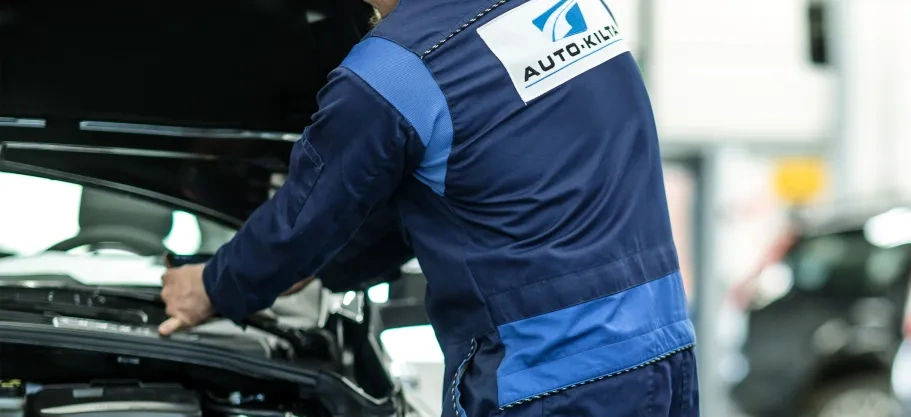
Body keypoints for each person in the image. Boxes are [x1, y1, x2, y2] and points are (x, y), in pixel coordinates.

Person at [158, 0, 697, 415]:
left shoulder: (393, 72)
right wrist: (330, 267)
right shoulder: (566, 8)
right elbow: (471, 186)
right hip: (664, 351)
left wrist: (211, 287)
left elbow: (300, 223)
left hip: (547, 380)